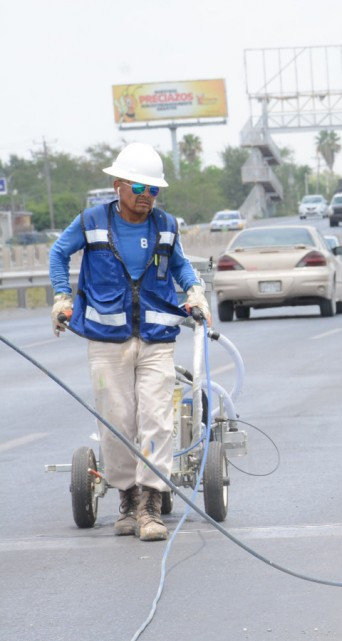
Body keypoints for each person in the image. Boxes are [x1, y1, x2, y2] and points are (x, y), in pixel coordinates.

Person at [49, 142, 209, 542]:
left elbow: (181, 266)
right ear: (118, 185)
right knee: (117, 422)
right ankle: (127, 497)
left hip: (157, 339)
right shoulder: (91, 221)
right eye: (139, 187)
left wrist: (194, 291)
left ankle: (151, 507)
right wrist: (61, 297)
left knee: (156, 419)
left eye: (153, 190)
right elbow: (58, 253)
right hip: (107, 341)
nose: (145, 197)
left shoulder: (166, 226)